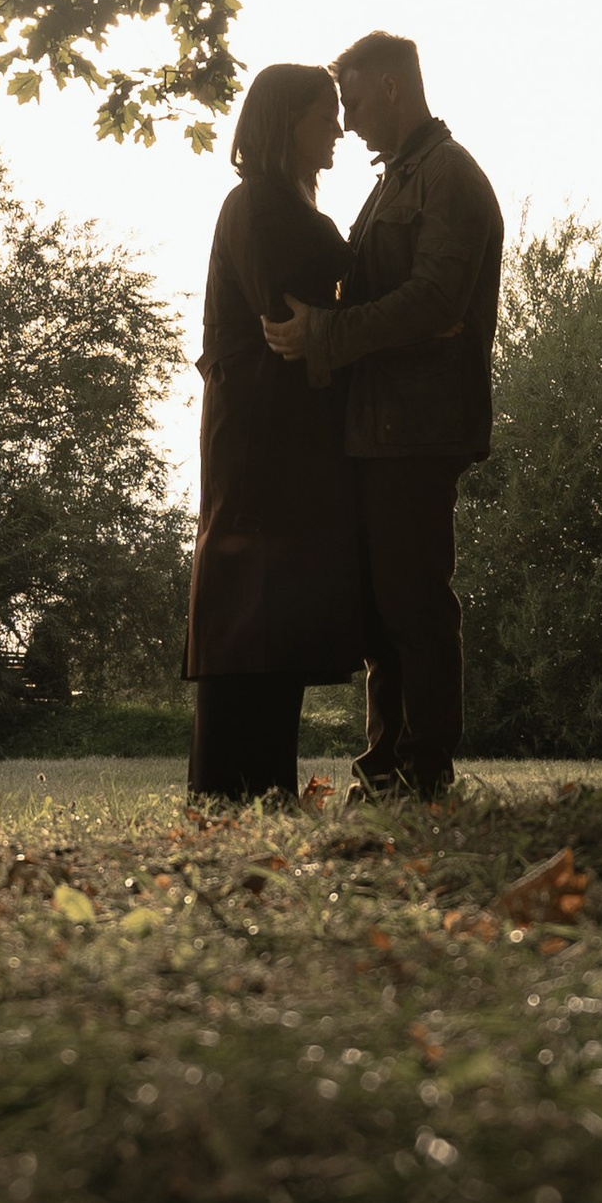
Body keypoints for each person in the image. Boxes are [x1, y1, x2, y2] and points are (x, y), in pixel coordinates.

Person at [261, 30, 502, 801]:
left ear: (392, 88)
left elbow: (434, 301)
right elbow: (397, 303)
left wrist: (326, 333)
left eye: (355, 101)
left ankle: (422, 774)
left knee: (413, 601)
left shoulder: (449, 179)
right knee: (381, 607)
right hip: (377, 428)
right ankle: (387, 770)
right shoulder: (398, 180)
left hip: (418, 428)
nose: (347, 121)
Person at [183, 60, 370, 802]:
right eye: (324, 114)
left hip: (286, 434)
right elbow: (288, 318)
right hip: (260, 436)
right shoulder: (259, 205)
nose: (339, 128)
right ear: (284, 123)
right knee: (247, 603)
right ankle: (229, 788)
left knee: (274, 605)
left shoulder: (280, 203)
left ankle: (261, 786)